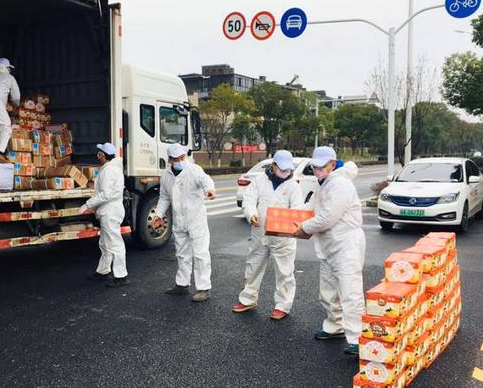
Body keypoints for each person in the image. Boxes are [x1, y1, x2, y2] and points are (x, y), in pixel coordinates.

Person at [293, 146, 365, 356]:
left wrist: (303, 228)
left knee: (349, 292)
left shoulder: (340, 184)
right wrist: (292, 218)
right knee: (328, 290)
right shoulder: (321, 183)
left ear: (332, 164)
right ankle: (335, 326)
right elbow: (312, 209)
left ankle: (357, 337)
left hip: (346, 245)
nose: (317, 171)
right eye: (314, 167)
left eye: (321, 167)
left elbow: (328, 217)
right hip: (328, 245)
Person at [232, 150, 303, 320]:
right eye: (282, 169)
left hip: (283, 236)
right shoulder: (260, 181)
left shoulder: (293, 185)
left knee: (284, 271)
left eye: (288, 170)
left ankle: (283, 306)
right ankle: (248, 299)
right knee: (253, 265)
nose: (285, 173)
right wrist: (251, 214)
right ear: (273, 166)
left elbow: (297, 209)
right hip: (260, 231)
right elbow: (248, 200)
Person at [153, 143, 216, 302]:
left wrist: (210, 190)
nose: (181, 161)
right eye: (177, 159)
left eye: (182, 157)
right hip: (179, 220)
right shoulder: (166, 175)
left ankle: (204, 288)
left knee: (200, 254)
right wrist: (158, 215)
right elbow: (164, 197)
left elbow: (206, 180)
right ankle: (182, 285)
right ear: (170, 161)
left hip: (196, 219)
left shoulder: (194, 170)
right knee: (181, 254)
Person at [80, 142, 128, 288]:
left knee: (114, 243)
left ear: (103, 155)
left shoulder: (108, 171)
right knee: (105, 242)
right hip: (109, 210)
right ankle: (103, 271)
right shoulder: (109, 169)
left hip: (110, 211)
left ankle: (121, 276)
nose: (97, 155)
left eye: (99, 153)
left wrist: (88, 204)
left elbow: (106, 194)